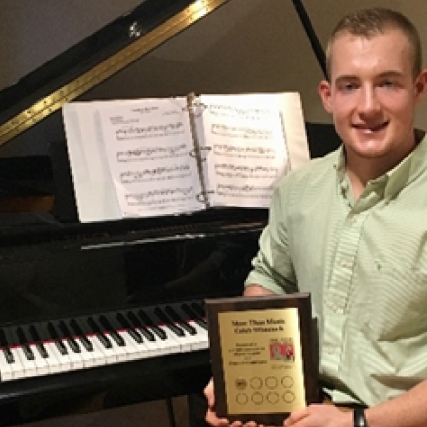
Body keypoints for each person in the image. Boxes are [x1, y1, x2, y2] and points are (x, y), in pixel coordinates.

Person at [204, 6, 427, 427]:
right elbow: (271, 279)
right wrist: (242, 374)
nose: (368, 106)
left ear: (419, 87)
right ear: (327, 95)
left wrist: (356, 423)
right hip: (306, 411)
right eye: (349, 86)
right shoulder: (298, 189)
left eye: (388, 84)